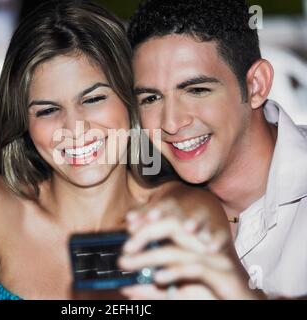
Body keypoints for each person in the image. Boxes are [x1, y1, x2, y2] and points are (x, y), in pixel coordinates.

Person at [0, 0, 237, 300]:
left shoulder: (186, 215)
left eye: (93, 99)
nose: (74, 127)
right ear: (23, 122)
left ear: (130, 98)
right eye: (48, 110)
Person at [119, 0, 307, 299]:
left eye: (196, 90)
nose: (171, 123)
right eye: (151, 98)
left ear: (256, 85)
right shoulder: (140, 207)